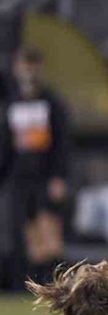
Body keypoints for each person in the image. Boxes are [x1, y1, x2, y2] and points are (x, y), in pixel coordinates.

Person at [5, 46, 70, 287]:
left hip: (45, 177)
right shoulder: (12, 102)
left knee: (49, 231)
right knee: (30, 235)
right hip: (21, 178)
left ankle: (60, 284)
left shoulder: (51, 102)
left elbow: (62, 142)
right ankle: (41, 286)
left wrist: (58, 176)